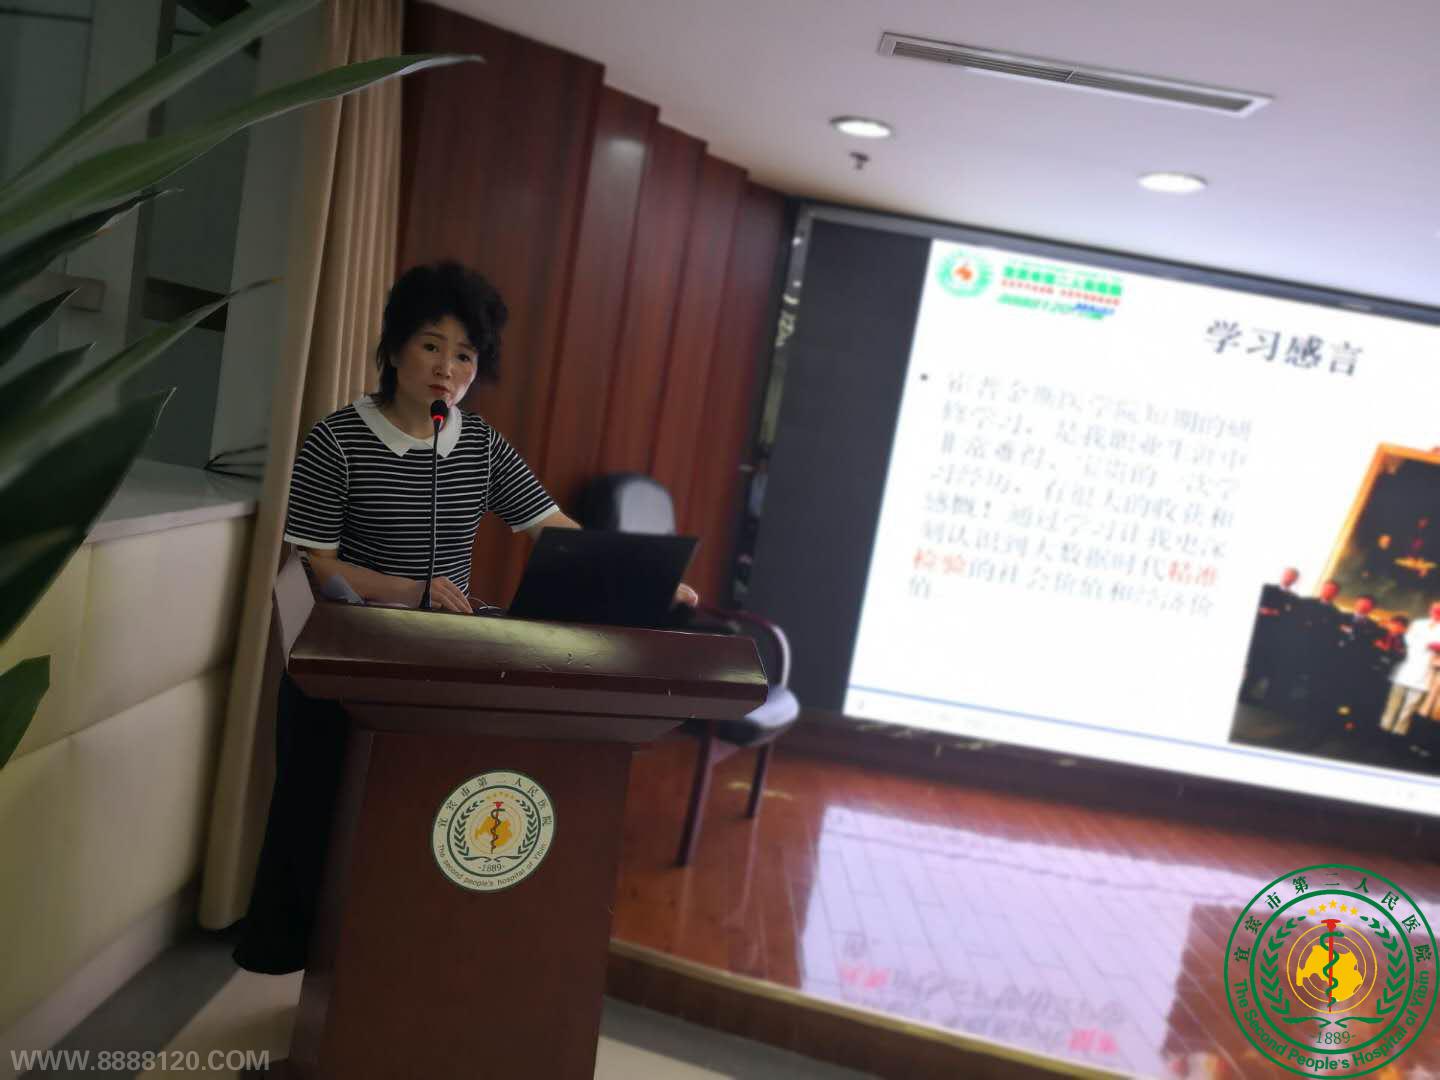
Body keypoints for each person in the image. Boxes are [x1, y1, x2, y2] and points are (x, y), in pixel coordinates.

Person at [236, 262, 697, 973]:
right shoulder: (337, 440)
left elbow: (552, 528)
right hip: (347, 659)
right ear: (394, 349)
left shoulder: (479, 445)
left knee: (422, 814)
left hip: (443, 660)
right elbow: (315, 563)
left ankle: (405, 958)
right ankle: (304, 960)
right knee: (321, 817)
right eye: (430, 346)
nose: (445, 369)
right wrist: (407, 590)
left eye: (464, 356)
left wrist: (646, 577)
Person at [1381, 602, 1440, 738]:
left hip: (1425, 673)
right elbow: (1408, 640)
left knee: (1409, 708)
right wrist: (1427, 643)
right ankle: (1384, 729)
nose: (1437, 613)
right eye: (1435, 610)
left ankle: (1398, 733)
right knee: (1393, 702)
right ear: (1430, 610)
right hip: (1405, 669)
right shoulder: (1418, 624)